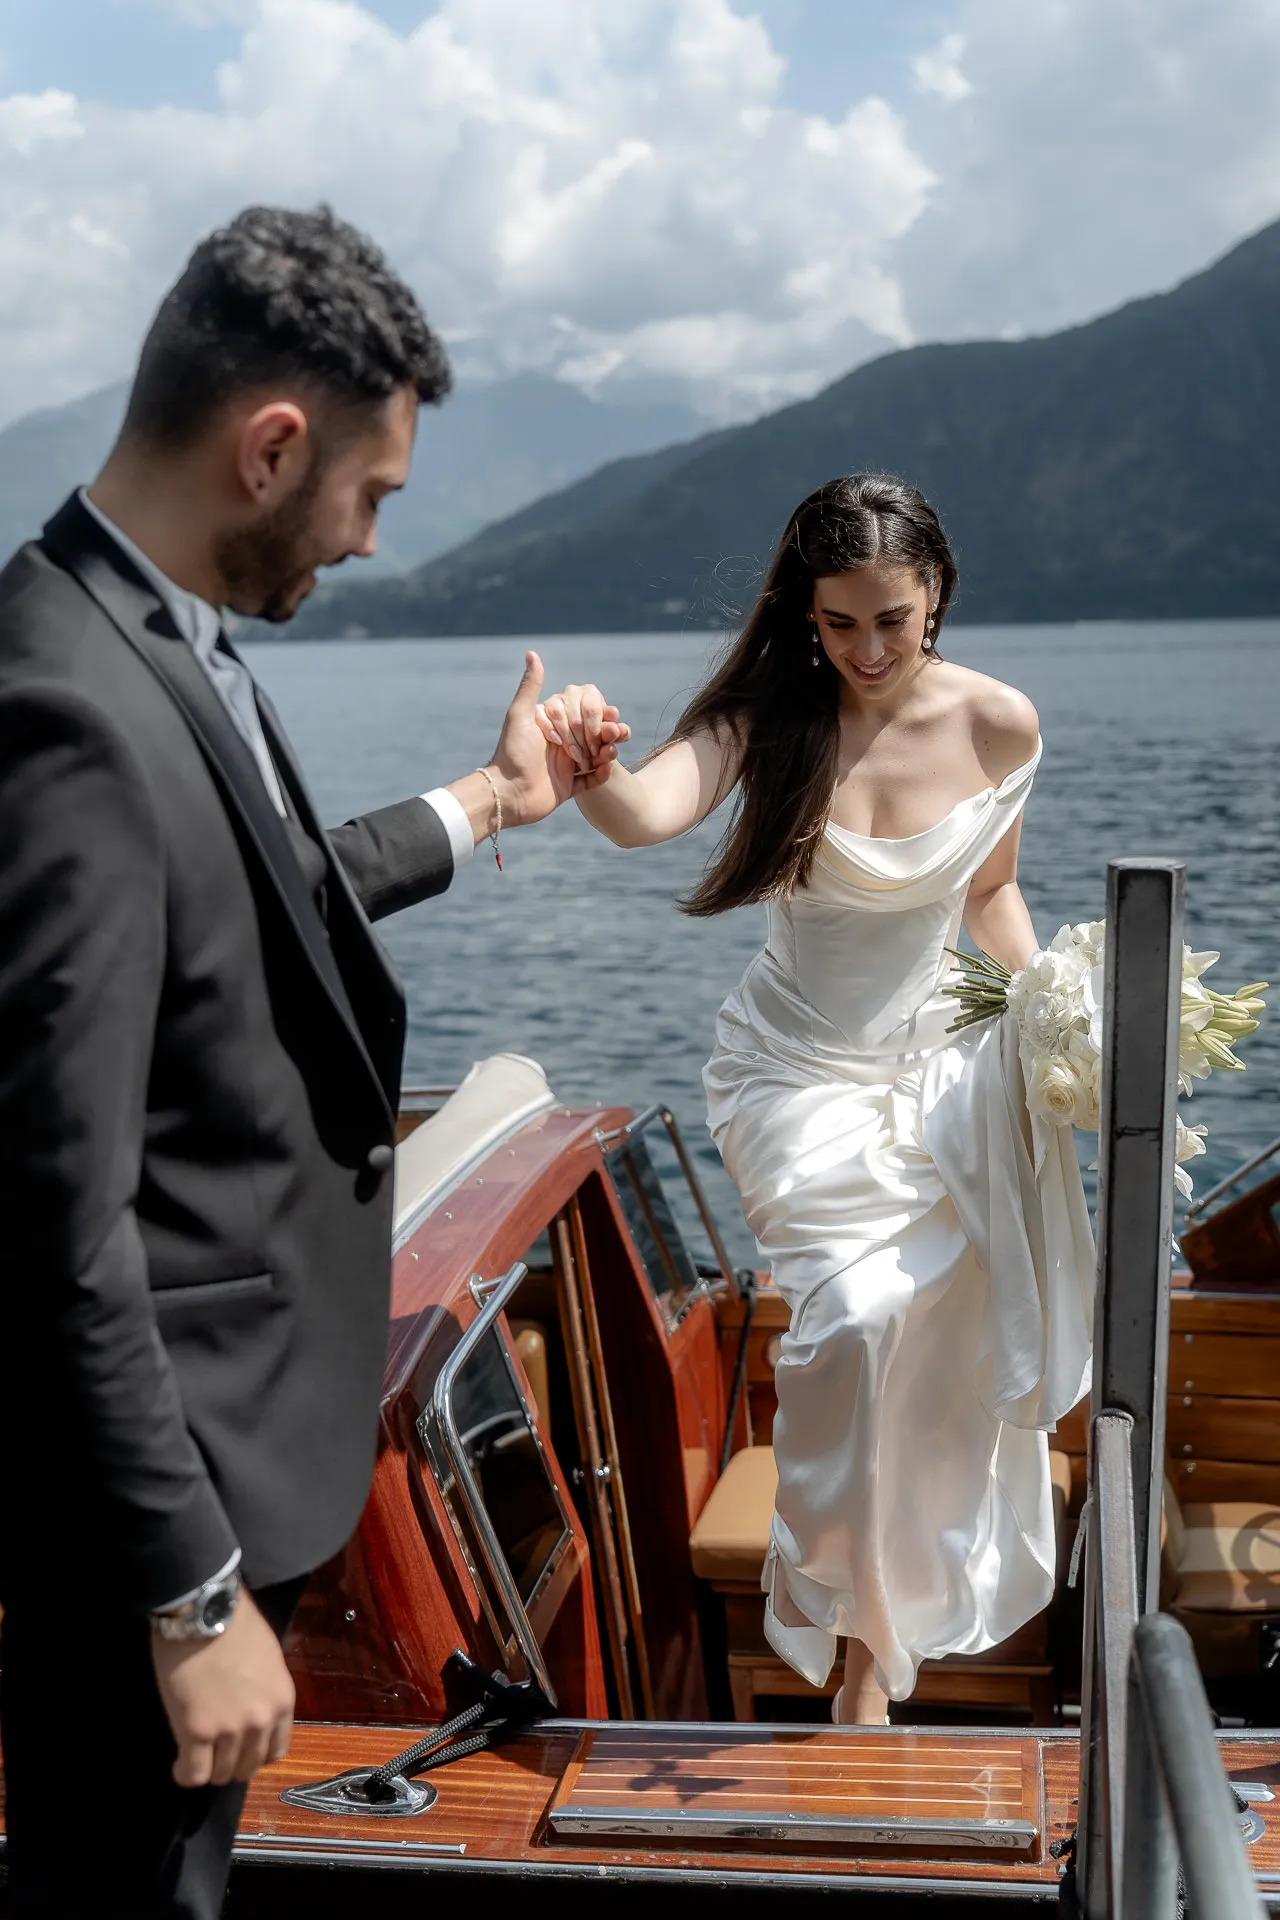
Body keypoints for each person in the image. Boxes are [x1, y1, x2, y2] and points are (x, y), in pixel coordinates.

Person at [0, 204, 625, 1918]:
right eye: (373, 493)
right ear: (272, 446)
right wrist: (189, 1597)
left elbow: (258, 905)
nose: (365, 542)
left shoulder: (155, 637)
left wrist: (491, 803)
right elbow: (54, 1216)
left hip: (217, 1496)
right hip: (157, 1526)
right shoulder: (64, 704)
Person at [537, 473, 1094, 1726]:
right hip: (789, 1072)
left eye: (890, 619)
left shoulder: (1000, 725)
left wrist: (1062, 1016)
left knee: (931, 1335)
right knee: (849, 1324)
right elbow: (644, 815)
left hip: (936, 1072)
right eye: (839, 623)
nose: (867, 650)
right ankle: (845, 1616)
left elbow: (990, 895)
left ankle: (865, 1662)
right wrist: (586, 764)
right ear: (806, 613)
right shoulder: (772, 716)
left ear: (934, 594)